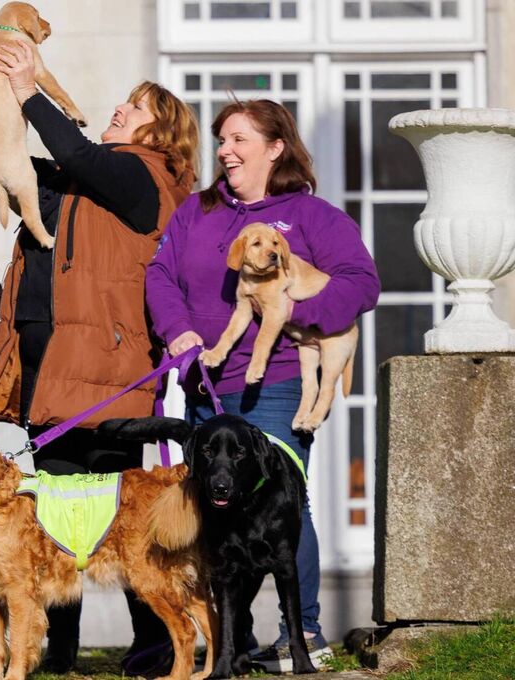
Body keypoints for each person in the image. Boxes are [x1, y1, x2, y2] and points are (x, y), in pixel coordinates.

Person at [0, 42, 199, 676]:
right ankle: (60, 651)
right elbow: (27, 163)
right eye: (126, 101)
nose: (123, 109)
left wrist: (30, 90)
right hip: (56, 370)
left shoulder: (144, 176)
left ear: (163, 132)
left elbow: (75, 153)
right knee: (56, 519)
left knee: (120, 523)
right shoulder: (90, 179)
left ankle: (155, 643)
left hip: (106, 375)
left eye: (139, 106)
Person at [146, 98, 379, 672]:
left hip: (275, 391)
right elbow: (160, 274)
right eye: (222, 140)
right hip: (206, 387)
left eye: (239, 140)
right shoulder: (196, 212)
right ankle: (234, 640)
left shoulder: (312, 216)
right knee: (216, 517)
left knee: (280, 512)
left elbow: (361, 282)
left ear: (275, 149)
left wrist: (305, 319)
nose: (224, 150)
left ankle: (302, 633)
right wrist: (177, 332)